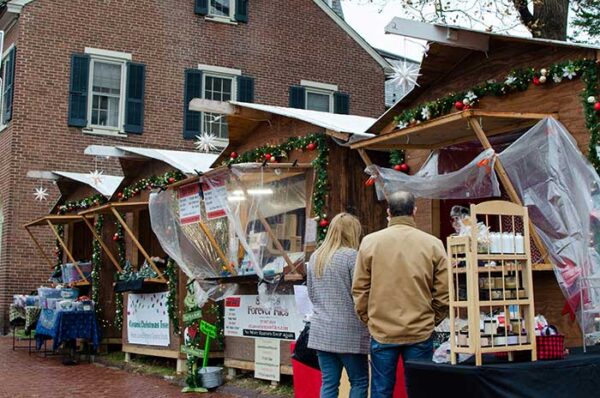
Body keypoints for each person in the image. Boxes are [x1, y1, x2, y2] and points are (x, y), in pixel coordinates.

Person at [352, 191, 449, 397]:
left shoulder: (370, 242)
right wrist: (433, 319)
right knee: (420, 389)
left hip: (382, 330)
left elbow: (360, 289)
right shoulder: (433, 244)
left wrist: (368, 319)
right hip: (420, 329)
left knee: (381, 391)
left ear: (388, 212)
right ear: (414, 210)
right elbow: (443, 293)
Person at [307, 213, 370, 398]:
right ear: (352, 232)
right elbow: (361, 294)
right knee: (359, 381)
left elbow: (311, 293)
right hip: (350, 331)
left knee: (329, 383)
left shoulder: (315, 257)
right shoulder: (352, 256)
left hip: (321, 331)